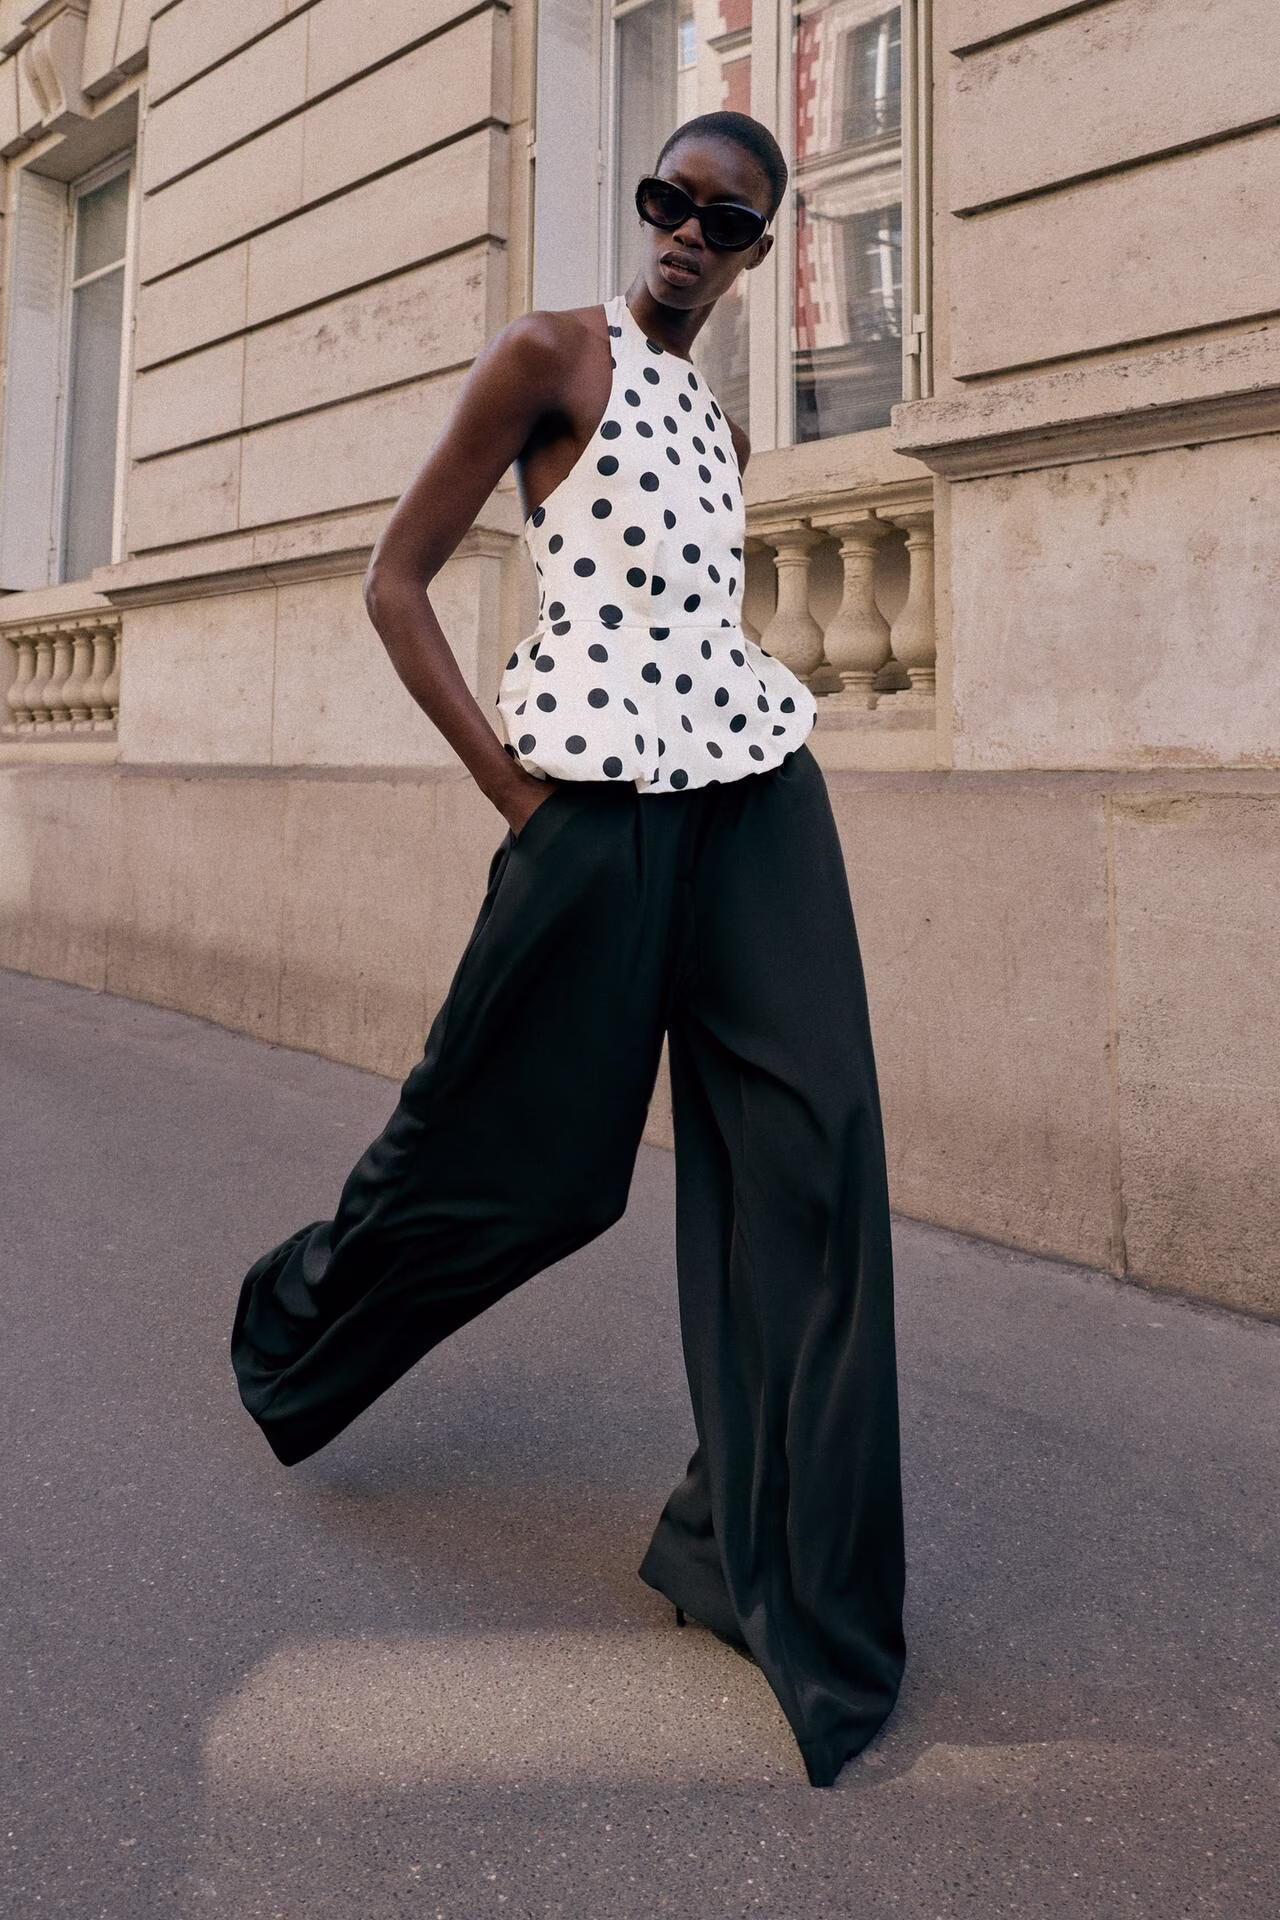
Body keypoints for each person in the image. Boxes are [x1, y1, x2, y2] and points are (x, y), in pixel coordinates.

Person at [230, 110, 906, 1790]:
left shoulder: (724, 427)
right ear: (644, 204)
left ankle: (759, 1559)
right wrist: (517, 799)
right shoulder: (547, 355)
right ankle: (296, 1324)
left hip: (753, 791)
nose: (686, 234)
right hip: (592, 809)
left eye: (725, 223)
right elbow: (397, 584)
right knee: (527, 1166)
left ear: (756, 256)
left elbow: (700, 629)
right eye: (668, 200)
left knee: (819, 1151)